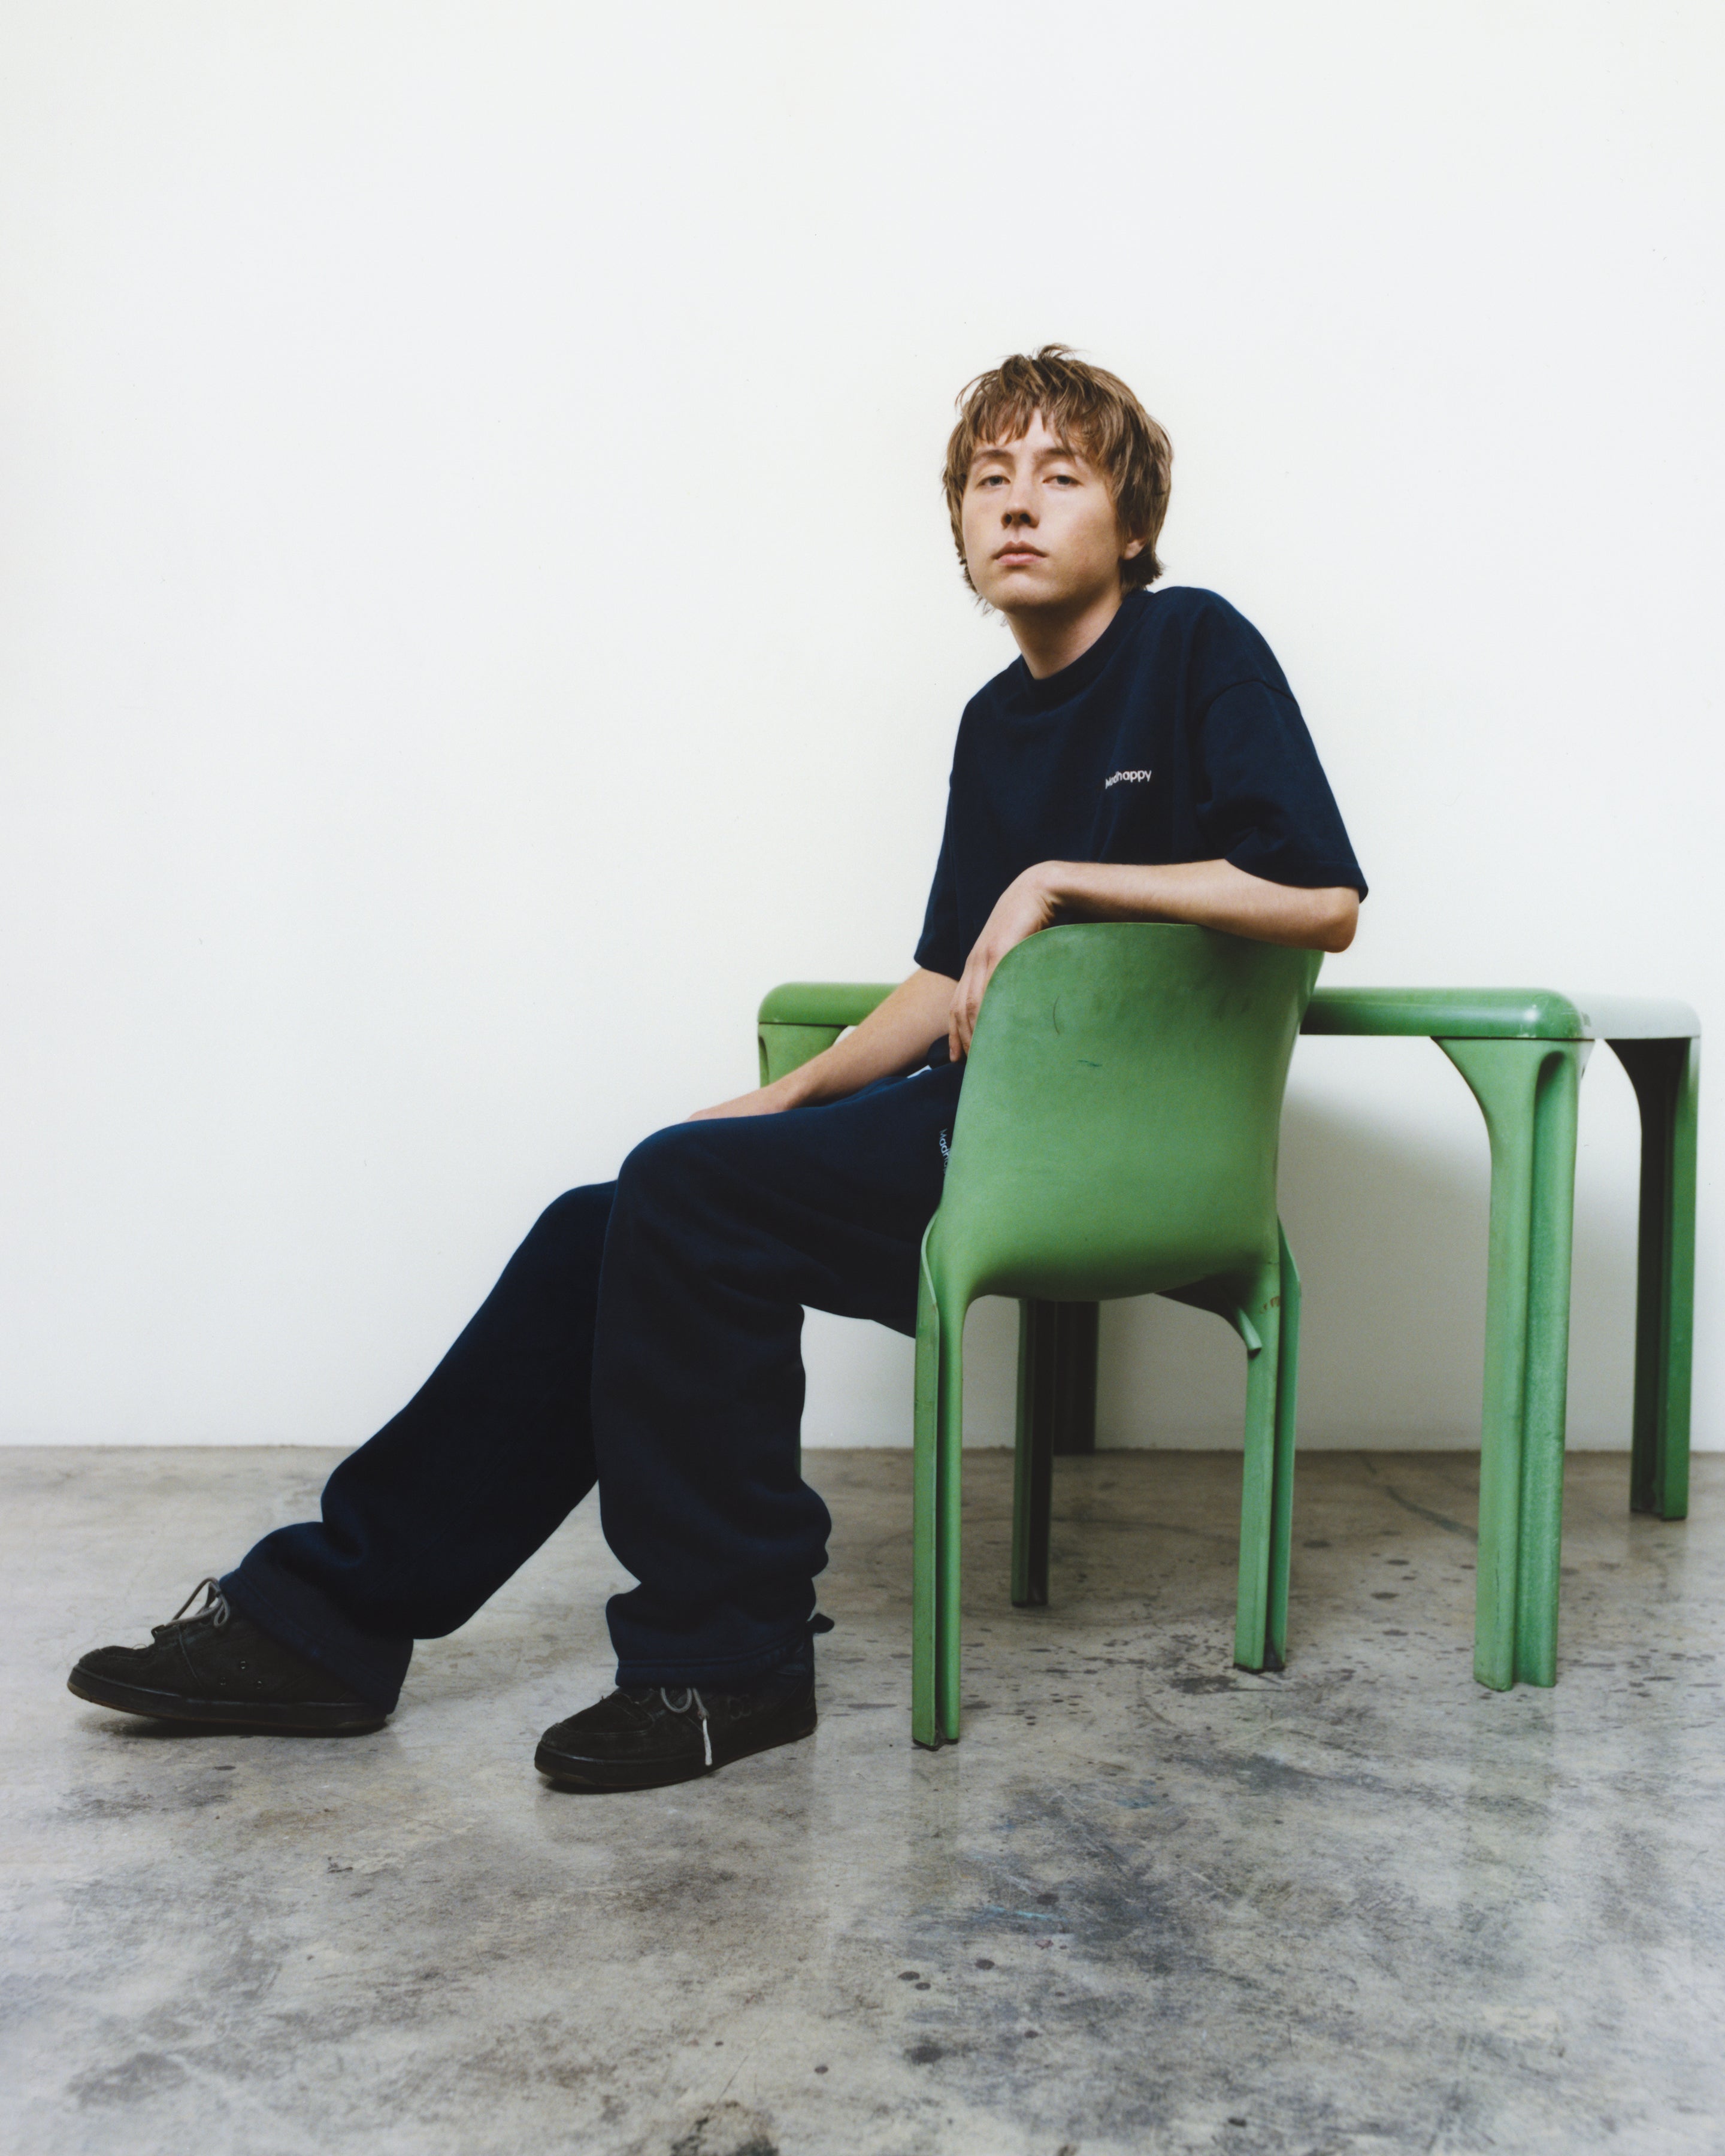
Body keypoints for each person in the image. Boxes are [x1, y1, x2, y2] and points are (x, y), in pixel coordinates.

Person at [68, 347, 1366, 1792]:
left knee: (683, 1198)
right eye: (991, 479)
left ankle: (727, 1656)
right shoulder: (994, 721)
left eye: (1061, 477)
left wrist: (1064, 879)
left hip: (1124, 1145)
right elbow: (945, 980)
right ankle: (330, 1620)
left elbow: (1319, 897)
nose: (1017, 505)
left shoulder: (1195, 645)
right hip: (976, 1120)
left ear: (1131, 523)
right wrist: (790, 1097)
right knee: (614, 1216)